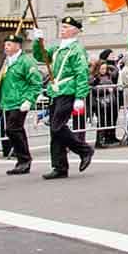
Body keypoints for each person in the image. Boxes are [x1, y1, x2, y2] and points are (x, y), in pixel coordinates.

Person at [32, 17, 96, 180]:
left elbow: (81, 73)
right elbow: (41, 57)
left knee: (56, 127)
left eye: (66, 27)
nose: (62, 29)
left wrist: (80, 96)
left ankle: (84, 150)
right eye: (62, 27)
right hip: (56, 92)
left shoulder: (76, 50)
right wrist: (37, 40)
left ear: (75, 30)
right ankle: (59, 167)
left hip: (68, 91)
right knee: (55, 132)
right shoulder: (58, 48)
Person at [0, 34, 42, 175]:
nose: (6, 47)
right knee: (14, 130)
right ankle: (23, 160)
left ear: (18, 46)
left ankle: (24, 160)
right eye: (5, 45)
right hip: (8, 102)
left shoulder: (26, 62)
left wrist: (29, 99)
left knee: (12, 129)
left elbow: (36, 83)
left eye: (9, 45)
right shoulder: (6, 62)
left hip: (20, 101)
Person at [89, 60, 120, 148]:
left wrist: (111, 65)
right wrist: (106, 90)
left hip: (110, 101)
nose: (104, 70)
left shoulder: (108, 75)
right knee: (102, 121)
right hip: (99, 102)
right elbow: (93, 89)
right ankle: (99, 140)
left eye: (105, 68)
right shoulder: (94, 77)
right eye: (102, 68)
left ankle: (108, 138)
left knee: (109, 120)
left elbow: (116, 71)